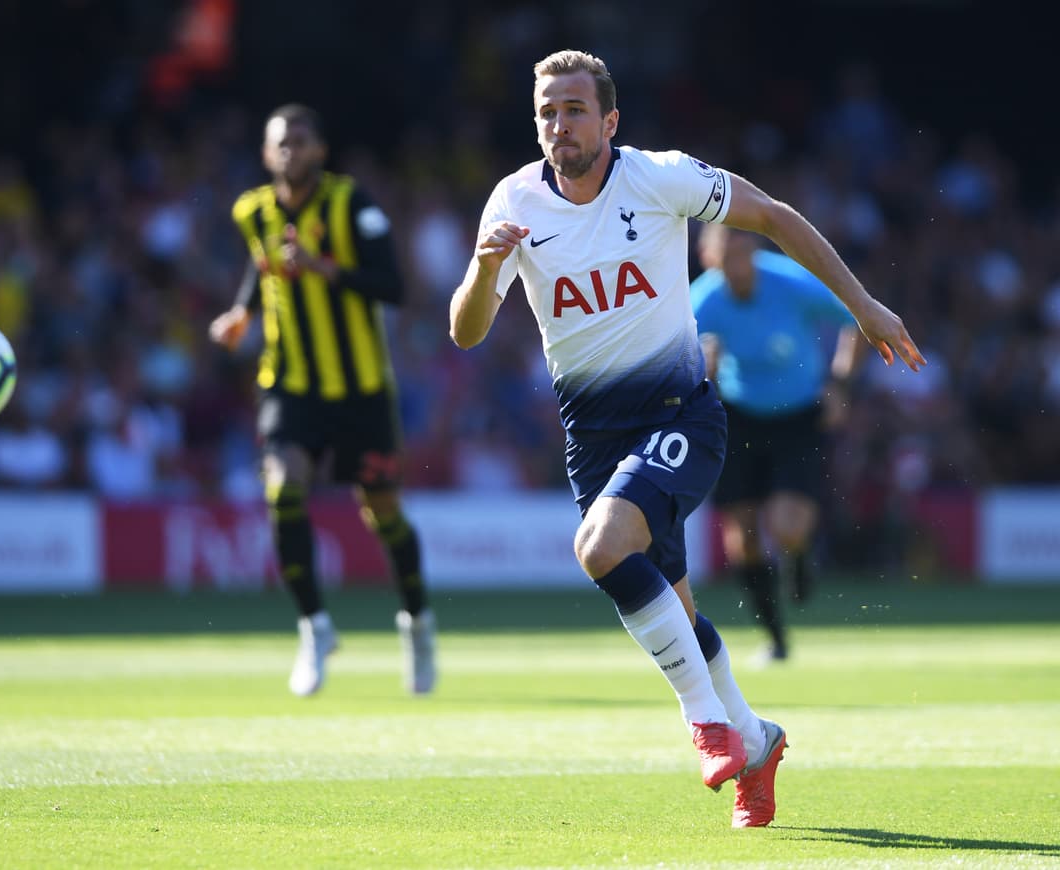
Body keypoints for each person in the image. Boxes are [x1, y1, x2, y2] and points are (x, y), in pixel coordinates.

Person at [448, 50, 925, 828]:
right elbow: (466, 332)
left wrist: (865, 305)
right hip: (593, 439)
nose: (557, 124)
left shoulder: (659, 176)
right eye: (545, 111)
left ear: (609, 121)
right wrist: (481, 268)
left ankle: (705, 723)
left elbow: (771, 215)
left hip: (682, 412)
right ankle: (756, 738)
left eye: (573, 109)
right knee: (673, 606)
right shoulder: (512, 202)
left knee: (600, 548)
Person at [209, 104, 436, 697]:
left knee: (383, 513)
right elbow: (261, 270)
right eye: (280, 143)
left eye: (301, 141)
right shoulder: (251, 211)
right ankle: (314, 627)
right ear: (266, 154)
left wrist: (323, 268)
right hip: (288, 384)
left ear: (320, 151)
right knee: (282, 488)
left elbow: (392, 285)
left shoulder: (351, 205)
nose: (290, 151)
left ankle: (417, 623)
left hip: (360, 389)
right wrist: (241, 312)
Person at [691, 224, 862, 662]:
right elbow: (682, 363)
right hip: (738, 418)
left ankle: (799, 555)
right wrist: (701, 371)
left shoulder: (789, 281)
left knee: (787, 527)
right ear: (709, 257)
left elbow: (856, 317)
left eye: (743, 251)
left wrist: (840, 383)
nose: (737, 263)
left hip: (798, 416)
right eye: (726, 254)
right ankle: (776, 639)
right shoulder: (703, 299)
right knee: (743, 541)